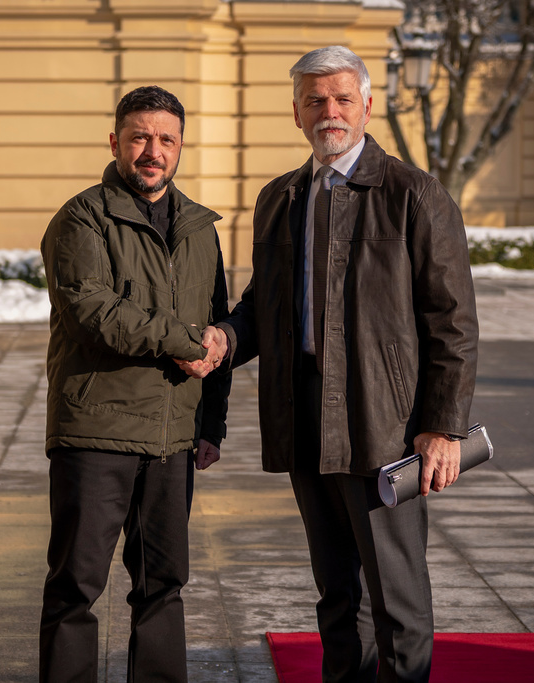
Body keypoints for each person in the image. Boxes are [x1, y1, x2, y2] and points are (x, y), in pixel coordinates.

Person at [189, 46, 479, 682]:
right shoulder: (279, 198)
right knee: (337, 594)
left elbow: (452, 322)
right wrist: (224, 341)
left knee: (396, 597)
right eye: (315, 100)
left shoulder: (416, 195)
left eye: (343, 98)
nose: (330, 111)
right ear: (295, 113)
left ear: (367, 106)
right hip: (304, 415)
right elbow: (265, 303)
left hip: (387, 423)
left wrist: (444, 426)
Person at [38, 85, 231, 683]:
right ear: (115, 140)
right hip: (97, 429)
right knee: (77, 585)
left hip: (174, 437)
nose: (153, 150)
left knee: (163, 585)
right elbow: (92, 311)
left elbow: (218, 325)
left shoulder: (200, 227)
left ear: (180, 147)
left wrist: (212, 425)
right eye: (140, 137)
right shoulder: (82, 217)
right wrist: (187, 343)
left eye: (165, 139)